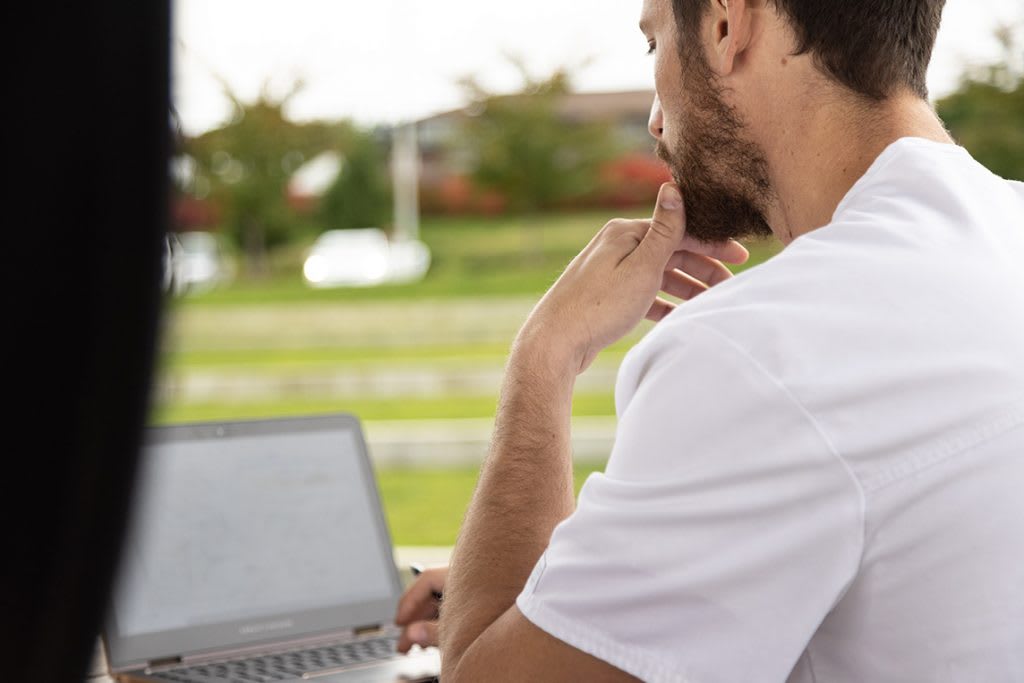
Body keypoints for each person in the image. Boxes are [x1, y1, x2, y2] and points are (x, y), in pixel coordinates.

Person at [395, 0, 1024, 680]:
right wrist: (577, 603)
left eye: (655, 42)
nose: (656, 120)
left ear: (726, 26)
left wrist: (546, 354)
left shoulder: (758, 351)